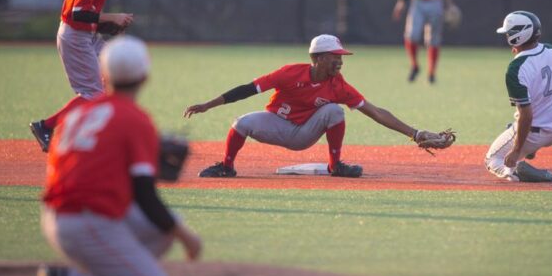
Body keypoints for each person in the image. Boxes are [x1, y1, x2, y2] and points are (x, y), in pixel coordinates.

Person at [37, 35, 202, 276]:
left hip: (57, 215)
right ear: (145, 75)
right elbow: (145, 196)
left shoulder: (76, 116)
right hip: (86, 221)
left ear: (104, 75)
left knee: (159, 232)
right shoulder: (135, 119)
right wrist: (186, 236)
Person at [185, 34, 447, 179]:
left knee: (335, 110)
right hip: (277, 124)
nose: (341, 62)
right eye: (336, 57)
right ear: (319, 58)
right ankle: (227, 167)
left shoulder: (338, 85)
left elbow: (375, 112)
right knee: (241, 123)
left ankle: (336, 166)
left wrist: (415, 134)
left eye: (341, 58)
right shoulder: (290, 73)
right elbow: (247, 89)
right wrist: (208, 105)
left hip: (305, 133)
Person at [29, 0, 134, 152]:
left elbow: (90, 17)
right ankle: (45, 126)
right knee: (92, 94)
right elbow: (78, 13)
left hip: (87, 35)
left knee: (112, 77)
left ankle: (99, 131)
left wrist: (112, 27)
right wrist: (113, 17)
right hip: (74, 37)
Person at [484, 11, 552, 182]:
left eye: (509, 32)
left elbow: (526, 116)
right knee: (511, 127)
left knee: (492, 160)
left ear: (518, 36)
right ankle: (529, 149)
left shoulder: (516, 69)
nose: (507, 35)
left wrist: (516, 150)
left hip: (533, 131)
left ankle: (529, 173)